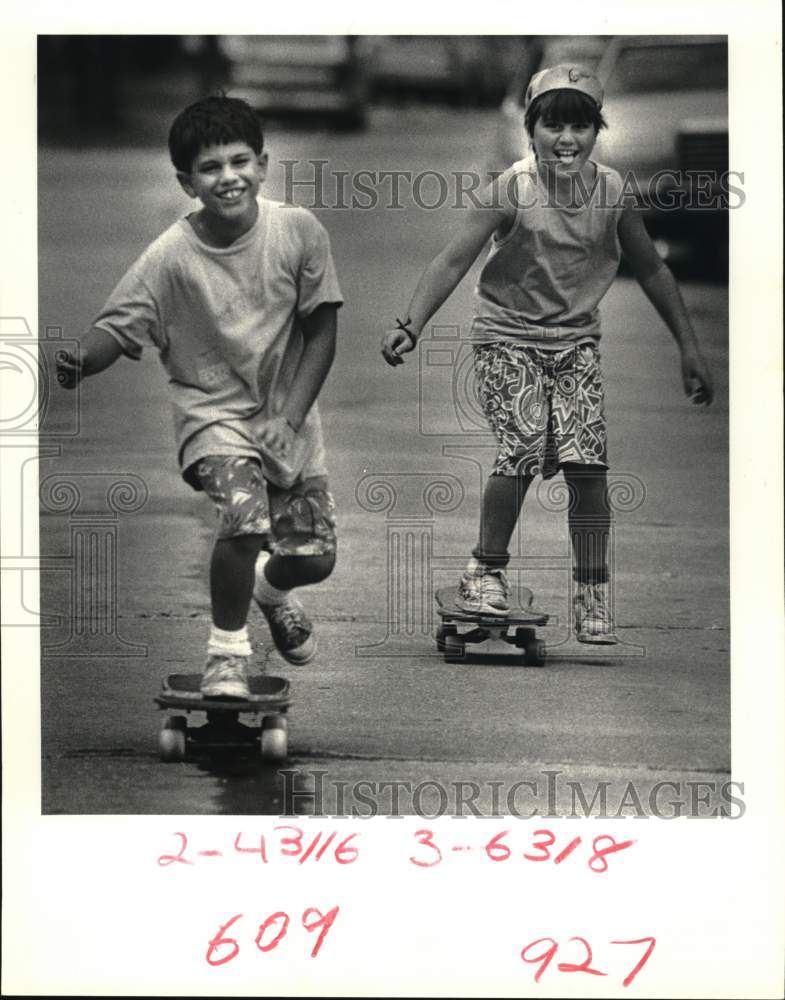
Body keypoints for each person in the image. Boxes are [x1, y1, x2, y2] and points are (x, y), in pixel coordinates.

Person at [381, 64, 713, 644]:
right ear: (531, 129)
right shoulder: (510, 190)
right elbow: (452, 261)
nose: (567, 139)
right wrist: (411, 323)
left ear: (596, 132)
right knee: (524, 448)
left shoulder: (612, 194)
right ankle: (483, 572)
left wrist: (689, 346)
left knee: (590, 467)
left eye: (581, 127)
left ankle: (592, 591)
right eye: (553, 125)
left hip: (574, 344)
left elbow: (655, 270)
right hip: (505, 339)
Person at [58, 95, 342, 697]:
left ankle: (270, 589)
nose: (228, 177)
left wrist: (288, 417)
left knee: (315, 557)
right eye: (210, 168)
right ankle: (227, 655)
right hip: (211, 419)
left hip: (288, 426)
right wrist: (84, 358)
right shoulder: (171, 256)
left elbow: (322, 332)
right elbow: (119, 324)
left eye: (240, 161)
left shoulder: (297, 232)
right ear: (187, 182)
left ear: (263, 165)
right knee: (242, 518)